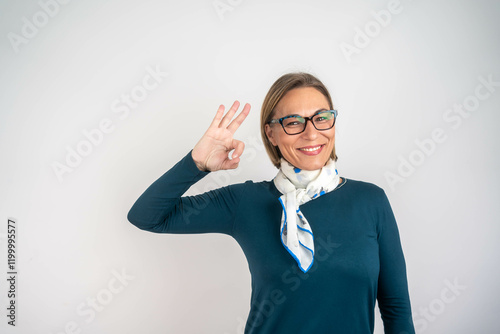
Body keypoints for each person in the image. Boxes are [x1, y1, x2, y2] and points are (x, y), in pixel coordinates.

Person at [127, 72, 416, 333]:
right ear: (271, 133)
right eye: (293, 122)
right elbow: (148, 216)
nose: (312, 132)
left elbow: (396, 309)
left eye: (322, 117)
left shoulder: (370, 200)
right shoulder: (245, 202)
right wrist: (196, 163)